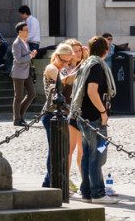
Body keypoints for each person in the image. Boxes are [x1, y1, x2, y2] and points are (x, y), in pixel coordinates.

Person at [69, 36, 119, 204]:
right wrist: (103, 112)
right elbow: (92, 91)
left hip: (85, 116)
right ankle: (97, 192)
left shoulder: (86, 63)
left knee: (88, 155)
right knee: (97, 155)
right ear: (106, 50)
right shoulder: (96, 66)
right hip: (94, 118)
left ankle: (87, 192)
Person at [40, 43, 74, 187]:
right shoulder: (51, 68)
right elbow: (62, 81)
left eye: (68, 61)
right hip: (50, 113)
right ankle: (49, 181)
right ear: (56, 56)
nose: (65, 64)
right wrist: (76, 74)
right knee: (54, 149)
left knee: (62, 149)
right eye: (63, 60)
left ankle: (53, 180)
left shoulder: (63, 69)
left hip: (61, 113)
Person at [63, 38, 86, 194]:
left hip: (81, 113)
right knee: (69, 149)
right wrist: (81, 70)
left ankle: (85, 179)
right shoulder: (64, 68)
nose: (78, 53)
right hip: (67, 112)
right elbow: (65, 80)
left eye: (80, 50)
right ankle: (65, 180)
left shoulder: (84, 65)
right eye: (75, 51)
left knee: (82, 150)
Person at [10, 22, 38, 126]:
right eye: (26, 30)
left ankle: (20, 115)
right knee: (18, 97)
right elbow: (19, 59)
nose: (27, 32)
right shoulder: (16, 43)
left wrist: (32, 54)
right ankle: (17, 119)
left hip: (27, 73)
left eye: (28, 30)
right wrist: (30, 55)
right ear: (20, 31)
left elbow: (26, 56)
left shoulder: (25, 42)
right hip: (18, 73)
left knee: (32, 94)